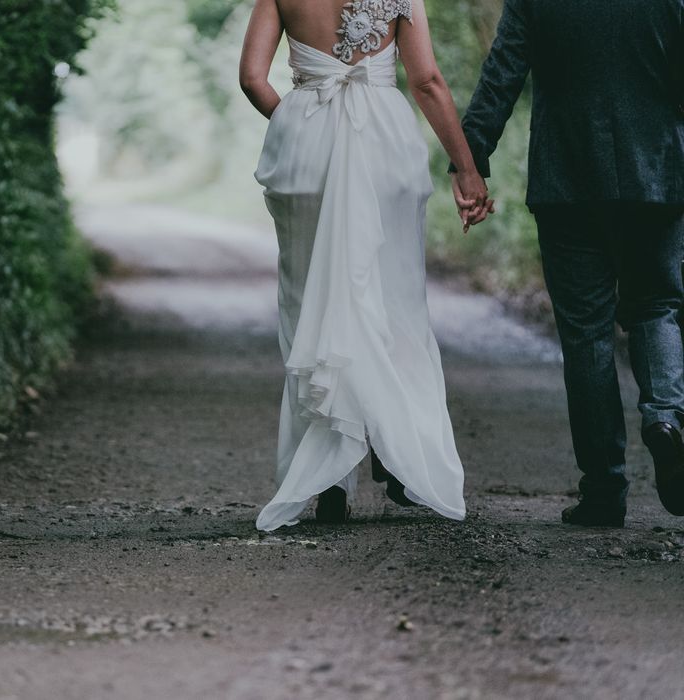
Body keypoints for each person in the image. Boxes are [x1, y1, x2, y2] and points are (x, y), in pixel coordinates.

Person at [239, 0, 493, 531]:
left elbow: (252, 78)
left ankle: (329, 480)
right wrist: (466, 169)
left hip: (306, 148)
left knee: (311, 306)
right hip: (384, 146)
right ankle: (397, 452)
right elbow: (426, 81)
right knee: (394, 303)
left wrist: (300, 124)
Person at [456, 0, 684, 526]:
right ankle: (666, 417)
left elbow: (502, 74)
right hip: (657, 172)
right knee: (656, 307)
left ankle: (604, 491)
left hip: (568, 181)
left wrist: (470, 159)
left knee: (587, 335)